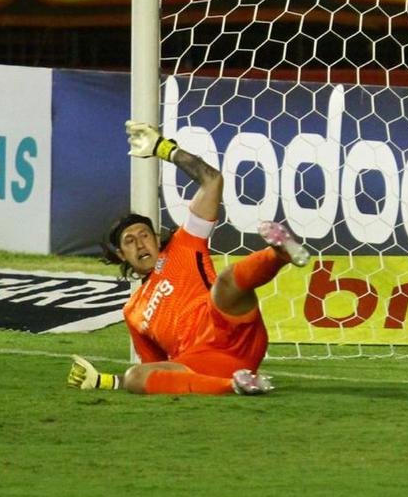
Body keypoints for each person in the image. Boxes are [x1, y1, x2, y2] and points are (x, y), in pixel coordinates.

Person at [67, 119, 309, 396]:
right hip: (200, 362)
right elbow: (155, 370)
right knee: (135, 376)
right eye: (130, 241)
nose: (140, 243)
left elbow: (212, 180)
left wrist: (163, 148)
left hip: (231, 327)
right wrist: (103, 381)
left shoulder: (183, 245)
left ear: (157, 239)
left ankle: (280, 253)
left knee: (226, 281)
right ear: (122, 255)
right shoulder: (132, 312)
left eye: (145, 235)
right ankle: (238, 385)